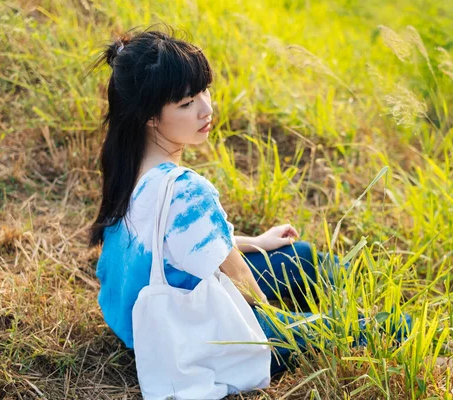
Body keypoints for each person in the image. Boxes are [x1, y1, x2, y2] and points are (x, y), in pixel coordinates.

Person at [87, 25, 407, 388]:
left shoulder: (129, 167)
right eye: (187, 103)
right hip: (194, 337)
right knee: (381, 327)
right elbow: (242, 282)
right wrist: (290, 325)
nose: (206, 108)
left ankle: (349, 292)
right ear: (149, 116)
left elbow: (179, 243)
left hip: (137, 322)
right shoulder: (185, 190)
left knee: (297, 254)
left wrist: (258, 240)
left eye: (204, 91)